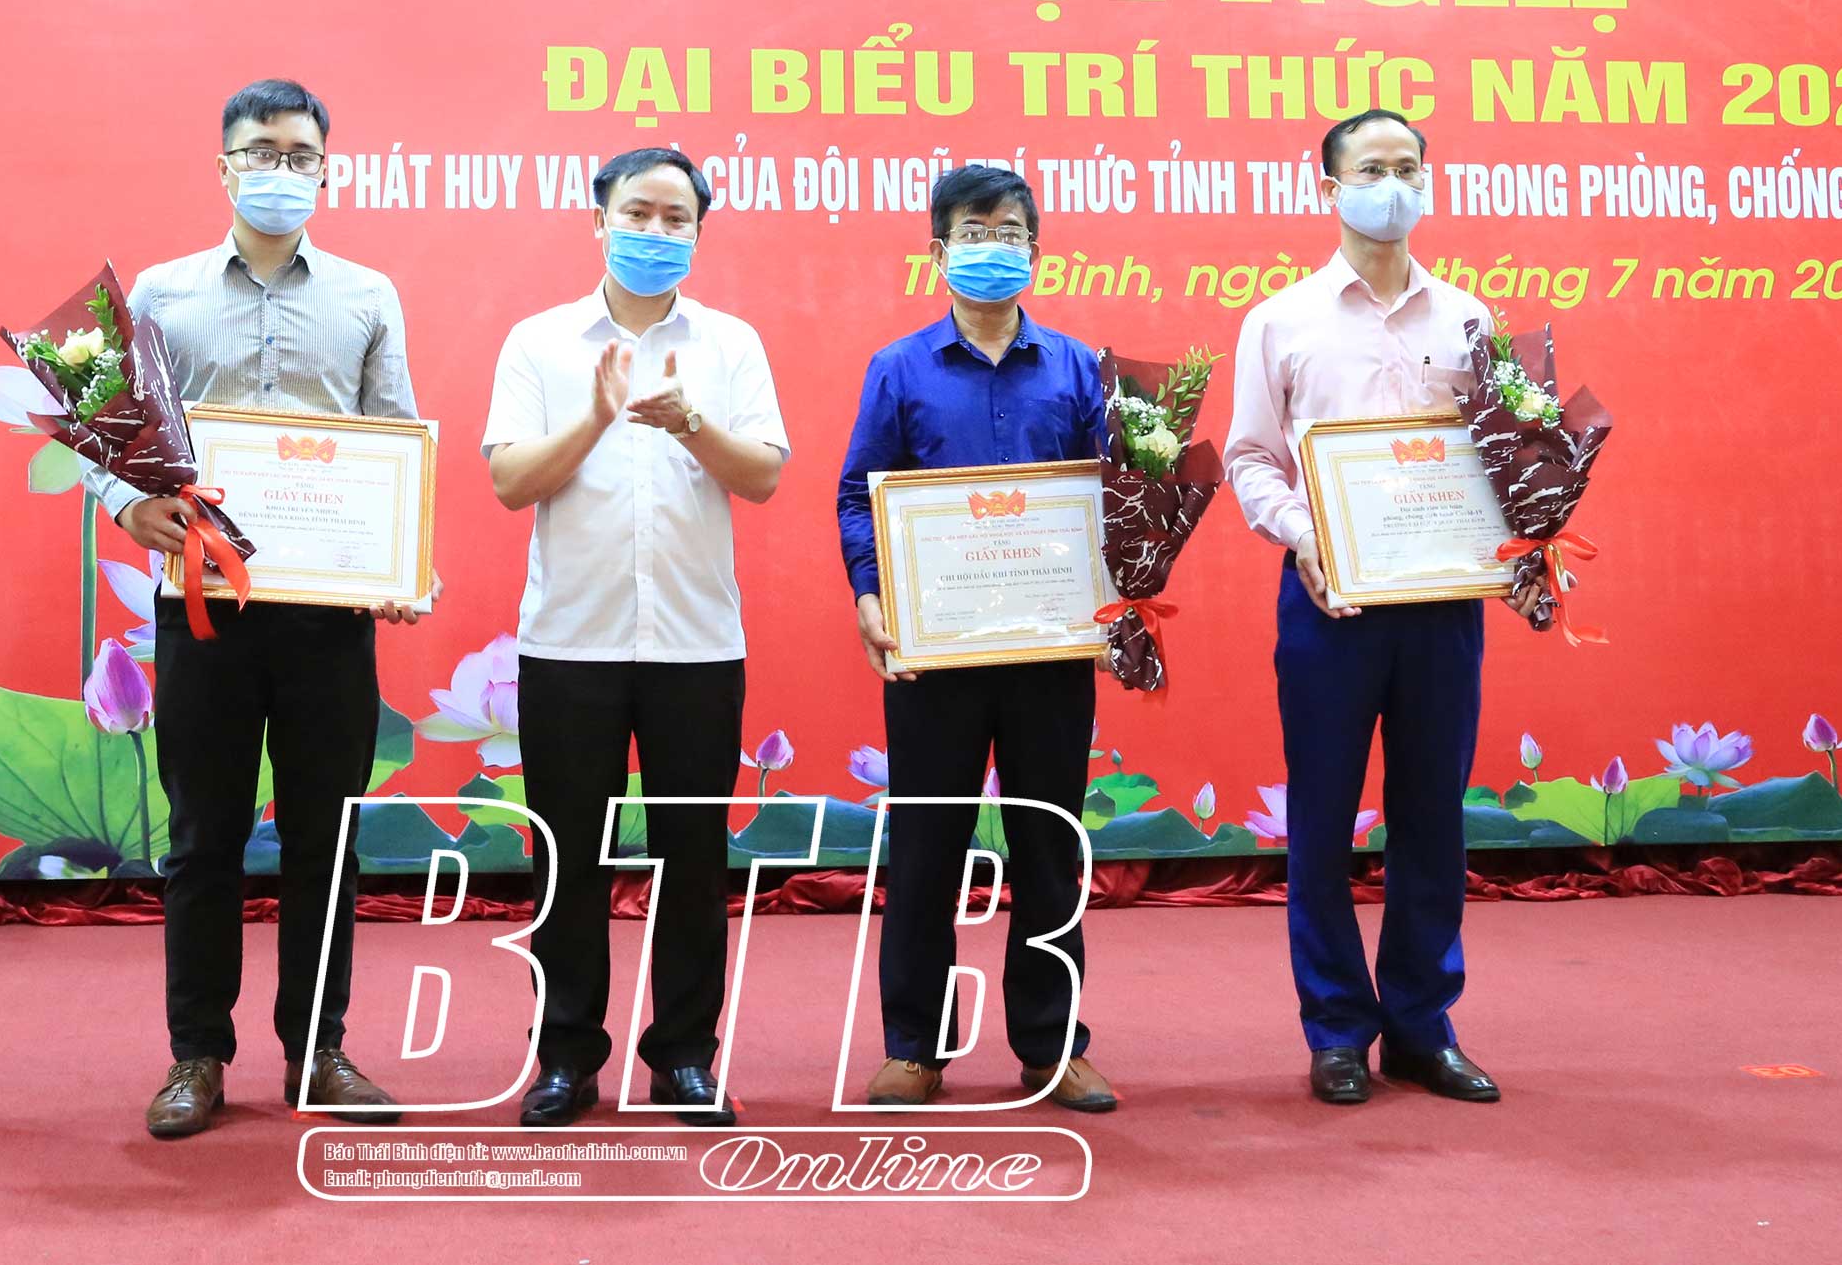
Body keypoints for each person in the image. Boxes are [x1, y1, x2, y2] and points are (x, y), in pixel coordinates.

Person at [118, 79, 432, 1139]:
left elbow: (395, 437)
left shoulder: (367, 295)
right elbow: (118, 438)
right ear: (224, 167)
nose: (280, 170)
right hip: (203, 606)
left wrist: (398, 563)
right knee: (202, 839)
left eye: (300, 155)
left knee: (324, 843)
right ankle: (196, 1056)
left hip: (326, 619)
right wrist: (129, 505)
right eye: (261, 152)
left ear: (325, 172)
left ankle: (320, 1050)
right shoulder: (162, 294)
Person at [1223, 109, 1552, 1108]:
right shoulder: (1281, 321)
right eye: (1372, 169)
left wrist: (1527, 539)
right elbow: (1250, 460)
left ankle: (1420, 1026)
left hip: (1444, 606)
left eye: (1408, 167)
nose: (1393, 185)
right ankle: (1335, 1029)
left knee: (1432, 819)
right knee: (1322, 822)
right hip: (1330, 602)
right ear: (1329, 187)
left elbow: (1503, 461)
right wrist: (1305, 536)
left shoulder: (1469, 319)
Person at [483, 147, 788, 1128]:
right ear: (598, 219)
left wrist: (691, 421)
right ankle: (566, 1057)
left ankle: (685, 1058)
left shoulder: (731, 344)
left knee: (693, 860)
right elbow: (510, 482)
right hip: (570, 643)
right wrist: (596, 417)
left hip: (696, 645)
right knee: (568, 860)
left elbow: (762, 476)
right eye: (637, 213)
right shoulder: (539, 341)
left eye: (675, 218)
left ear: (699, 232)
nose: (655, 231)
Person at [836, 165, 1120, 1115]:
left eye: (1009, 233)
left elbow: (1115, 501)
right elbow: (859, 494)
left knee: (1049, 850)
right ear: (938, 250)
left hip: (1049, 650)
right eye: (974, 232)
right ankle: (914, 1047)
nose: (992, 248)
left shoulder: (1079, 369)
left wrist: (1122, 581)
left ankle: (1052, 1046)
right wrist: (871, 592)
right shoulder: (898, 368)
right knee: (926, 850)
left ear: (1035, 250)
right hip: (938, 653)